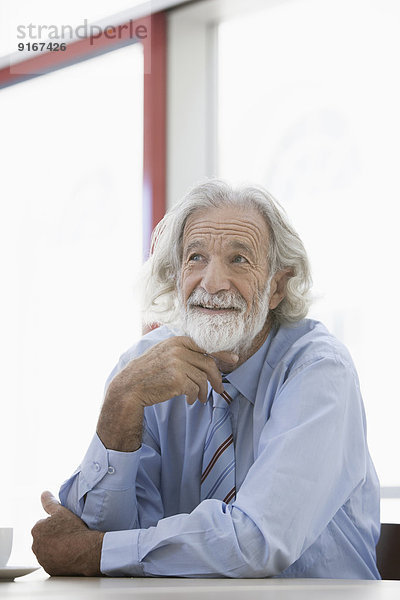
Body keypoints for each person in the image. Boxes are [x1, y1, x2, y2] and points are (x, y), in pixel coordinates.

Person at [31, 180, 381, 579]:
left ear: (277, 287)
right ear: (176, 275)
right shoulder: (142, 368)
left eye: (239, 260)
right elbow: (110, 533)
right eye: (196, 258)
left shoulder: (318, 369)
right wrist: (119, 404)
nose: (213, 283)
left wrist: (94, 552)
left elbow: (254, 543)